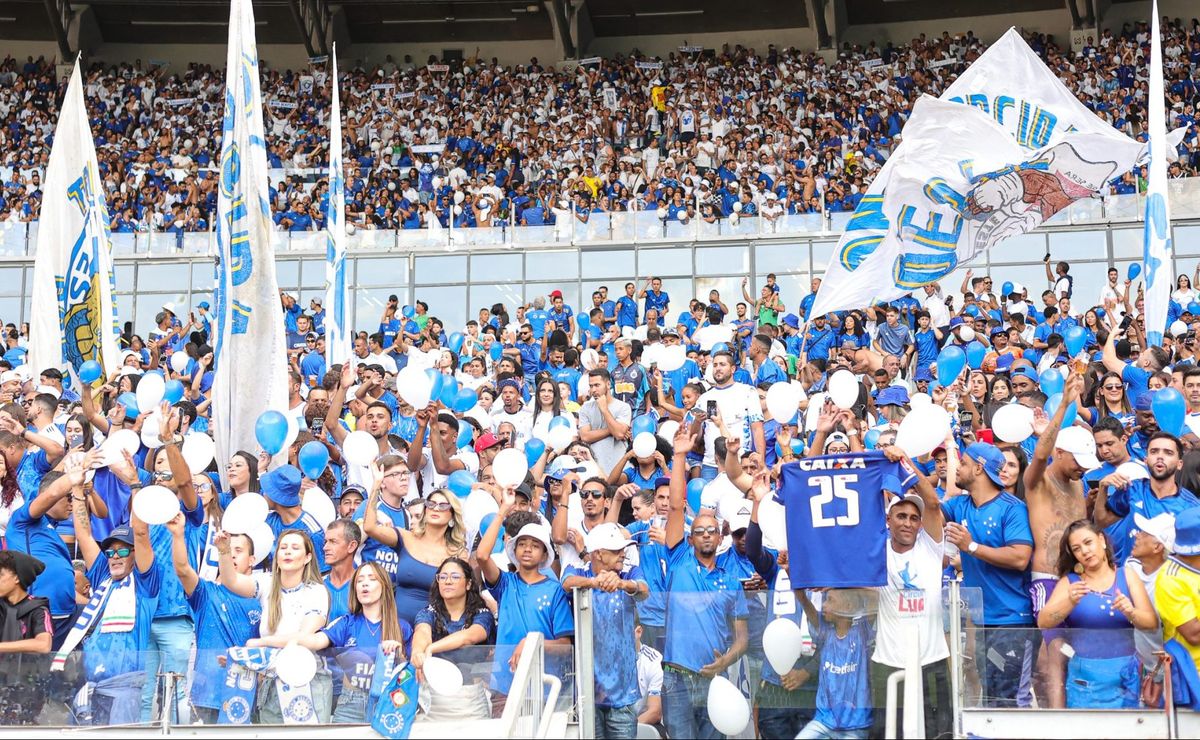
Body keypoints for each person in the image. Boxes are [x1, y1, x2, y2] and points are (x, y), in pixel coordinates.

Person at [660, 427, 748, 740]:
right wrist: (679, 455)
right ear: (690, 538)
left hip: (715, 679)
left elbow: (742, 638)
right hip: (677, 678)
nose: (707, 535)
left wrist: (726, 661)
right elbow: (675, 506)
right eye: (699, 531)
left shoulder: (731, 579)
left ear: (721, 537)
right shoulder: (679, 561)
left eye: (712, 530)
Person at [942, 442, 1034, 707]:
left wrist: (970, 546)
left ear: (979, 469)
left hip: (1012, 622)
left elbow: (1020, 557)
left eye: (963, 463)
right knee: (991, 698)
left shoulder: (1012, 508)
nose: (957, 468)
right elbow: (930, 510)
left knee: (1008, 701)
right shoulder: (960, 505)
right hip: (983, 621)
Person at [58, 492, 158, 726]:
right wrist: (77, 490)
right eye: (110, 552)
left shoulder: (145, 585)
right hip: (90, 689)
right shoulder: (104, 577)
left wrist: (135, 486)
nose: (114, 557)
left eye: (122, 551)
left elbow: (141, 534)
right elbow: (84, 534)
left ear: (136, 554)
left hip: (122, 692)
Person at [871, 447, 951, 739]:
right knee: (887, 733)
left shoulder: (931, 547)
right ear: (888, 520)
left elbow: (932, 501)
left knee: (938, 733)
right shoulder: (877, 552)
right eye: (901, 516)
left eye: (914, 518)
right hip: (888, 660)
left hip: (931, 659)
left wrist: (904, 460)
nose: (908, 522)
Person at [1036, 520, 1156, 708]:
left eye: (1088, 542)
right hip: (1084, 682)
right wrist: (1069, 602)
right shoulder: (1071, 582)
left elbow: (1151, 623)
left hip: (1126, 678)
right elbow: (1044, 622)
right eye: (1076, 549)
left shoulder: (1127, 575)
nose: (1084, 551)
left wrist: (1131, 612)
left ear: (1101, 540)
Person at [216, 529, 332, 723]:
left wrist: (260, 643)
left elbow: (303, 637)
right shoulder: (267, 583)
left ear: (307, 557)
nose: (288, 551)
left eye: (295, 548)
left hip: (308, 678)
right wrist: (224, 551)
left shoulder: (317, 590)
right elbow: (232, 581)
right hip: (272, 679)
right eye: (283, 547)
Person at [476, 491, 573, 717]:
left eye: (535, 545)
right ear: (514, 549)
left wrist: (531, 643)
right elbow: (482, 556)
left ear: (544, 555)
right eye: (522, 544)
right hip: (505, 686)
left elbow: (565, 645)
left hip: (543, 688)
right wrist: (503, 510)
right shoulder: (505, 583)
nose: (528, 549)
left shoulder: (555, 590)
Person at [165, 513, 260, 724]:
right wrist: (178, 534)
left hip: (245, 695)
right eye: (227, 549)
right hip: (205, 696)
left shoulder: (262, 598)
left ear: (252, 560)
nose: (232, 555)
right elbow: (182, 570)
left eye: (238, 550)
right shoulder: (206, 593)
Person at [562, 523, 648, 739]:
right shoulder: (578, 570)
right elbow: (566, 583)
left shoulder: (629, 571)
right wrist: (594, 582)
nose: (623, 554)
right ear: (599, 553)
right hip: (588, 692)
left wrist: (622, 584)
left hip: (623, 693)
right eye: (616, 550)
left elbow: (644, 589)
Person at [296, 561, 411, 724]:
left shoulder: (402, 627)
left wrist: (398, 656)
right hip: (350, 704)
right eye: (359, 580)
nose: (364, 583)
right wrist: (281, 641)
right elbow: (315, 641)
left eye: (372, 579)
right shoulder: (346, 623)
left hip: (389, 703)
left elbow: (412, 673)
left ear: (384, 586)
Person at [364, 460, 467, 624]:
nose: (435, 508)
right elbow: (369, 527)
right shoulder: (406, 537)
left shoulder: (458, 553)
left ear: (452, 517)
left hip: (434, 628)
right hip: (395, 626)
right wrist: (376, 485)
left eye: (443, 506)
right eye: (431, 504)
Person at [411, 557, 494, 720]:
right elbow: (422, 632)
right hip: (435, 700)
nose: (447, 581)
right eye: (443, 577)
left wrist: (432, 648)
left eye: (455, 577)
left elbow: (469, 637)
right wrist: (418, 651)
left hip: (471, 699)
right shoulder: (428, 612)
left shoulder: (482, 614)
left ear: (468, 584)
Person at [0, 550, 52, 724]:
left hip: (27, 690)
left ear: (17, 578)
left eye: (1, 575)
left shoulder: (38, 609)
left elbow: (44, 645)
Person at [260, 465, 328, 571]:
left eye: (267, 491)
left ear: (275, 495)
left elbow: (321, 573)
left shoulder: (312, 531)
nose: (263, 494)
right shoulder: (269, 520)